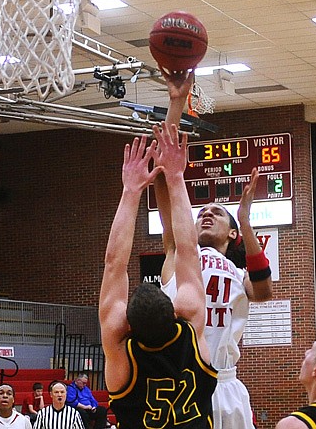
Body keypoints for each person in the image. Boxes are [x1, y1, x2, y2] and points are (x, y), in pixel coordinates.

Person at [156, 70, 273, 429]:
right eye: (202, 210)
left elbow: (266, 292)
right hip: (182, 382)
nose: (206, 212)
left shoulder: (240, 274)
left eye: (217, 213)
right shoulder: (178, 252)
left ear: (232, 233)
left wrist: (246, 219)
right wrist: (177, 103)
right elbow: (164, 174)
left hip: (226, 384)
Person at [98, 123, 217, 429]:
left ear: (129, 326)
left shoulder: (123, 353)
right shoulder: (191, 328)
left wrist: (130, 191)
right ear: (175, 312)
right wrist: (175, 179)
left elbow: (115, 264)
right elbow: (188, 248)